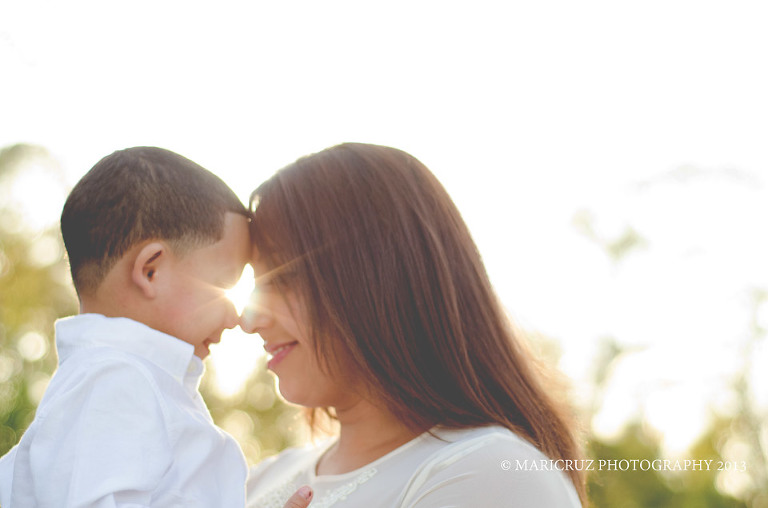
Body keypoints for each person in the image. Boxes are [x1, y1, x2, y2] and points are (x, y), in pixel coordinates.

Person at [243, 142, 587, 507]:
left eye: (285, 275)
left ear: (379, 274)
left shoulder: (490, 474)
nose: (248, 320)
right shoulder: (263, 477)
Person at [0, 147, 313, 508]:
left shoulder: (126, 384)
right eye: (225, 284)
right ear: (151, 271)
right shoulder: (113, 383)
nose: (236, 318)